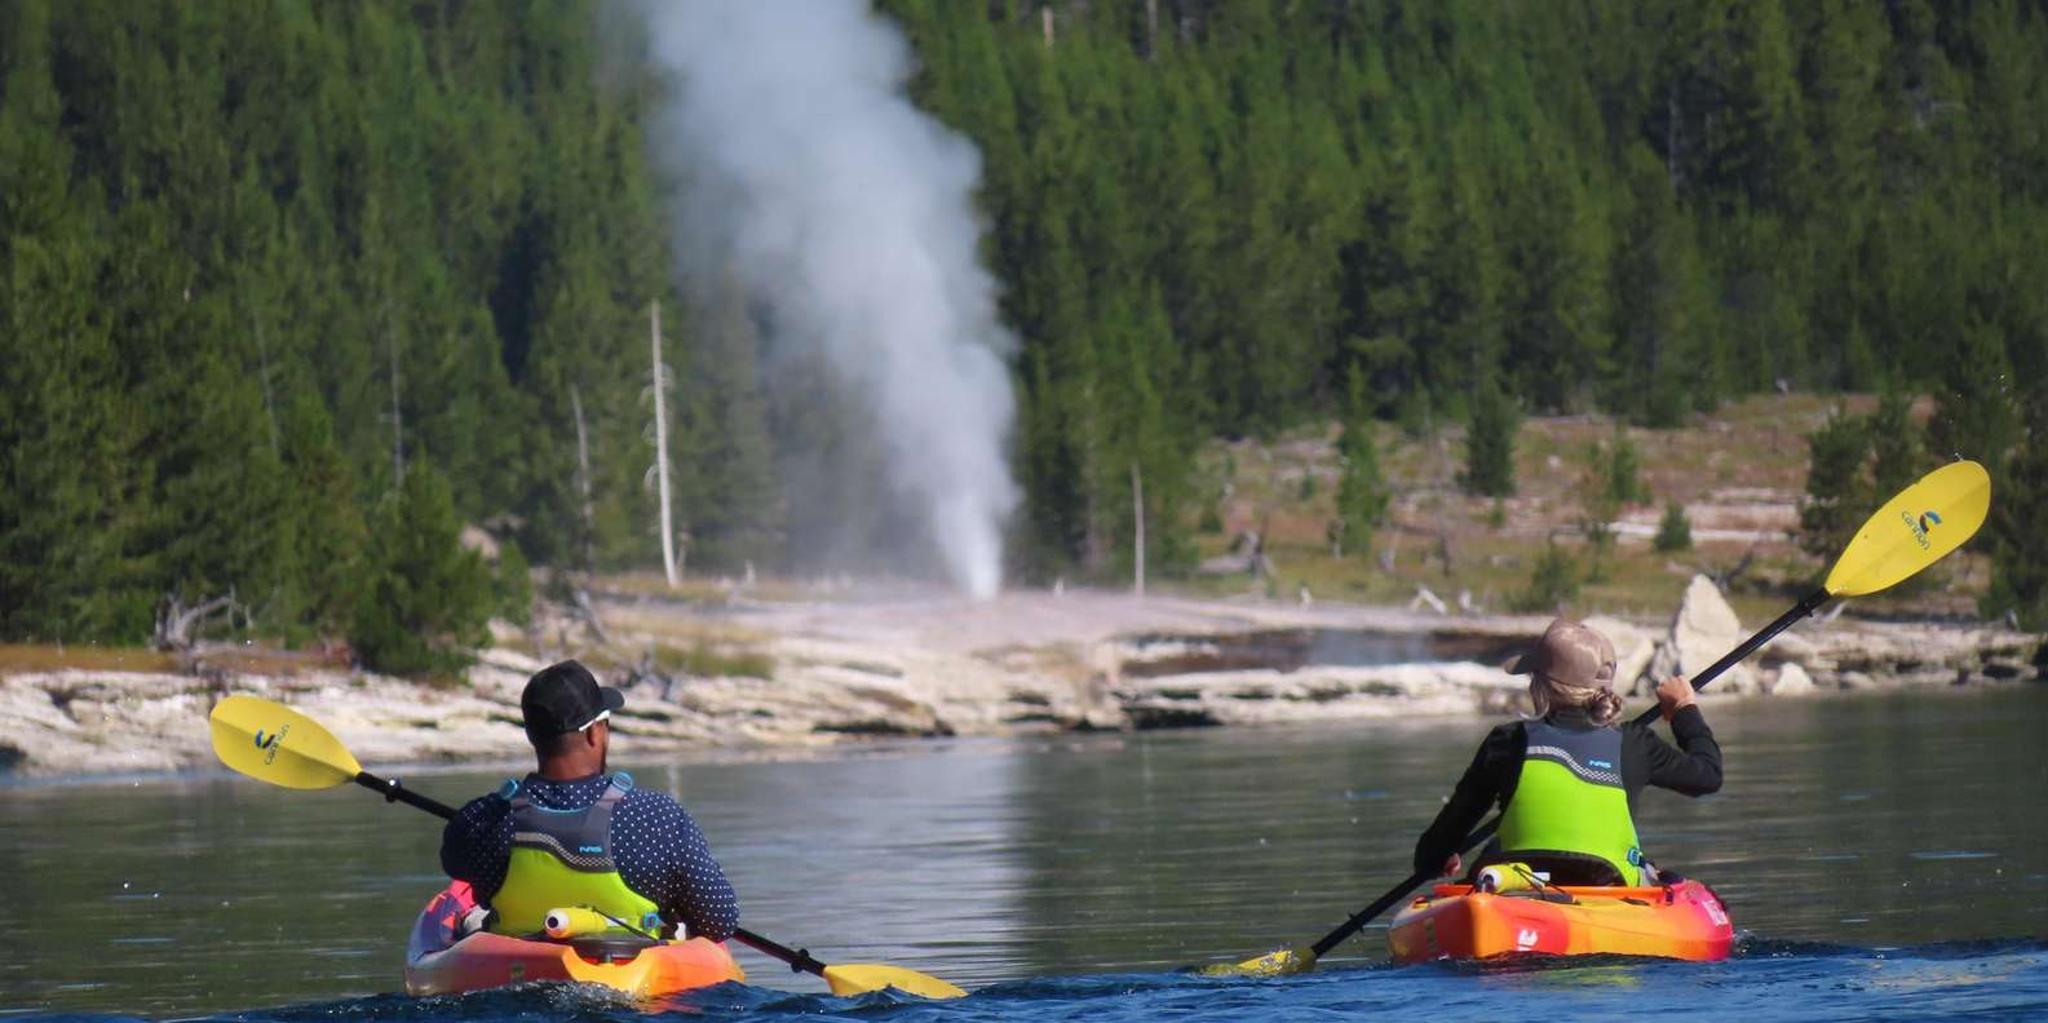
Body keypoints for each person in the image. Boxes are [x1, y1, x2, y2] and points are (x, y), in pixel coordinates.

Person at [439, 660, 738, 941]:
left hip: (517, 972)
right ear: (596, 733)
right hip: (635, 977)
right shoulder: (660, 817)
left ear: (531, 736)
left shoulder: (482, 821)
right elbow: (719, 920)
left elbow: (454, 865)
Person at [1412, 617, 1722, 887]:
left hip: (1517, 889)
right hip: (1610, 888)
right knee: (1664, 876)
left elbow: (1430, 853)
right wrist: (1684, 709)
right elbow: (1708, 776)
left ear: (1540, 684)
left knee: (1493, 853)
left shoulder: (1507, 742)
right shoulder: (1635, 742)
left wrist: (1441, 857)